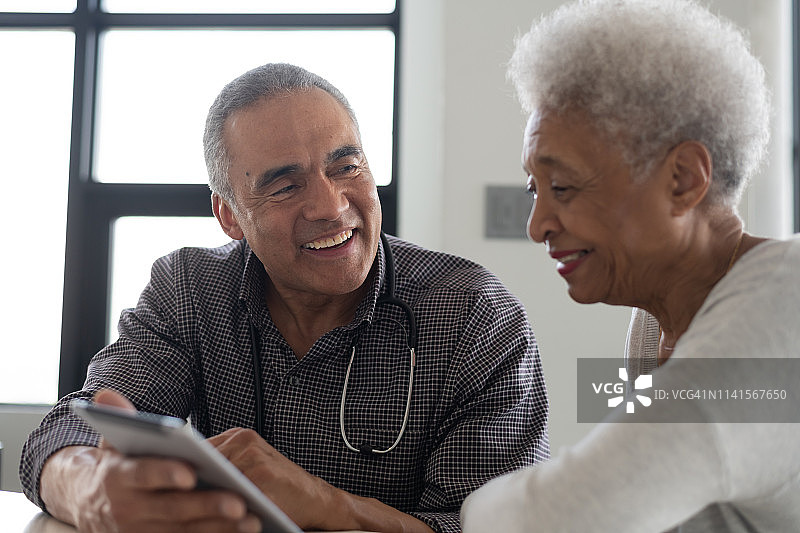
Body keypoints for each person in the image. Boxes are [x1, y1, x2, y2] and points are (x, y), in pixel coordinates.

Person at [20, 63, 549, 533]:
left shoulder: (474, 314)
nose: (330, 206)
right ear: (229, 216)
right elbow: (64, 433)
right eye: (285, 187)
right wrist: (91, 490)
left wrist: (329, 506)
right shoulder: (189, 289)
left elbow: (501, 526)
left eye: (346, 167)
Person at [460, 0, 800, 532]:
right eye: (534, 190)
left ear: (683, 180)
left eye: (563, 187)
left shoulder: (781, 308)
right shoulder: (654, 324)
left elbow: (548, 517)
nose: (537, 225)